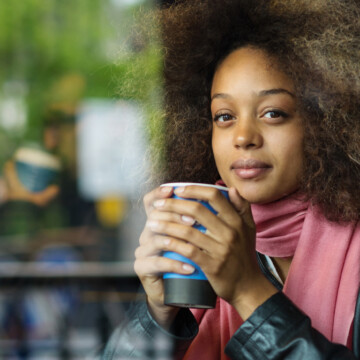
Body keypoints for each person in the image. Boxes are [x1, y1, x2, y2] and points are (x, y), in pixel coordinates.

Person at [102, 0, 360, 358]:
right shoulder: (199, 237)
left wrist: (247, 290)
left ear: (325, 124)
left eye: (273, 113)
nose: (243, 136)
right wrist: (156, 317)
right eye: (224, 116)